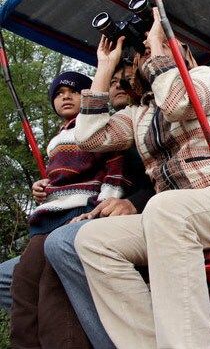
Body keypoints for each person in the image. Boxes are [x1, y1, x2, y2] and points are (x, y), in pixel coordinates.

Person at [72, 7, 210, 348]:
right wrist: (105, 69)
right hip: (175, 215)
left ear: (183, 54)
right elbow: (90, 138)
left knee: (165, 207)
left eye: (167, 45)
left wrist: (158, 48)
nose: (154, 50)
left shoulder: (203, 78)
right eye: (148, 49)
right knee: (93, 240)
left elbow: (178, 104)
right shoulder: (138, 113)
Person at [10, 71, 128, 348]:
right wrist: (44, 187)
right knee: (24, 279)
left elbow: (115, 171)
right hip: (51, 215)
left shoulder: (100, 128)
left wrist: (100, 208)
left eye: (74, 92)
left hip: (80, 211)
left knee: (54, 284)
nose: (66, 96)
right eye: (59, 93)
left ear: (88, 96)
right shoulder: (55, 141)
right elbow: (60, 179)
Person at [43, 60, 156, 349]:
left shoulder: (151, 120)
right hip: (96, 209)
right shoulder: (103, 128)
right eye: (113, 79)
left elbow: (166, 178)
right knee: (8, 275)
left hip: (143, 210)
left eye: (128, 79)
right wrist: (46, 186)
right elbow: (79, 174)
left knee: (62, 244)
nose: (119, 84)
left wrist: (133, 203)